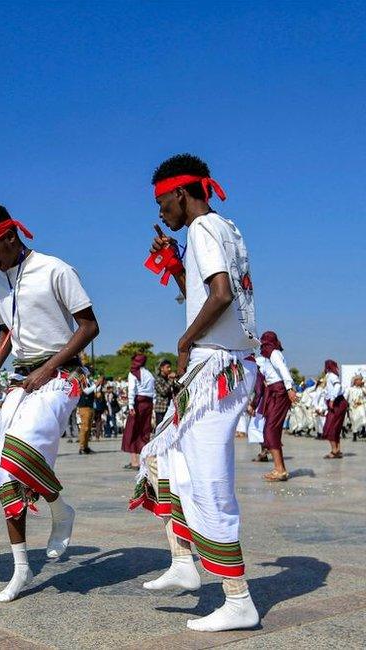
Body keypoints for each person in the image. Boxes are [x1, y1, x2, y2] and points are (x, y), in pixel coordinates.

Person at [132, 153, 259, 632]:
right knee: (161, 456)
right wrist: (179, 266)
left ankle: (238, 597)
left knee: (209, 479)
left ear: (181, 194)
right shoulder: (226, 229)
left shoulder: (204, 230)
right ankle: (184, 561)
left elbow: (222, 294)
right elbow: (211, 297)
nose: (161, 212)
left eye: (163, 203)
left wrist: (185, 342)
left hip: (216, 369)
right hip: (221, 365)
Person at [0, 203, 99, 602]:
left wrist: (49, 368)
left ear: (9, 237)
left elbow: (90, 325)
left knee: (19, 453)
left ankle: (60, 510)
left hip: (63, 375)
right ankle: (22, 566)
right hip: (23, 380)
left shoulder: (55, 269)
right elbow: (6, 331)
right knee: (2, 475)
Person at [250, 332, 297, 480]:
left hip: (279, 392)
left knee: (271, 429)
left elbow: (283, 369)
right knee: (270, 430)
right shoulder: (266, 357)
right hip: (273, 391)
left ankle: (280, 469)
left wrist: (289, 388)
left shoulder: (274, 354)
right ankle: (280, 468)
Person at [122, 353, 155, 469]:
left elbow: (131, 390)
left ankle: (134, 461)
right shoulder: (150, 374)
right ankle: (143, 460)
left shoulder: (133, 373)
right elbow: (153, 392)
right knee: (144, 431)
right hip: (148, 403)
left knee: (133, 431)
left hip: (138, 403)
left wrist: (131, 406)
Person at [322, 359, 347, 458]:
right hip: (338, 403)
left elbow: (337, 386)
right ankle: (337, 450)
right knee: (335, 427)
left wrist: (332, 399)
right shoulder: (330, 376)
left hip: (337, 403)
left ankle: (334, 451)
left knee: (330, 427)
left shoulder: (332, 376)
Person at [154, 360, 177, 434]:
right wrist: (171, 380)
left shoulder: (168, 378)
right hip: (161, 408)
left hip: (170, 407)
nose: (170, 369)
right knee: (160, 429)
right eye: (167, 367)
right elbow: (163, 392)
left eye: (170, 367)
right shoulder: (157, 379)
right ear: (162, 368)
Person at [76, 372, 96, 455]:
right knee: (85, 427)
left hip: (90, 406)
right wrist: (96, 384)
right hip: (84, 406)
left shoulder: (89, 380)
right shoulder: (82, 379)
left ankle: (86, 446)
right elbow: (86, 391)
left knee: (88, 428)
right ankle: (82, 447)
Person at [346, 375, 365, 442]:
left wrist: (363, 387)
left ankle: (363, 431)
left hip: (360, 406)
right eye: (359, 380)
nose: (361, 381)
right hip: (353, 408)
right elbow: (346, 398)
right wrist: (346, 406)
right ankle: (355, 435)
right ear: (355, 381)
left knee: (363, 417)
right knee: (354, 421)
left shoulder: (362, 389)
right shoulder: (350, 389)